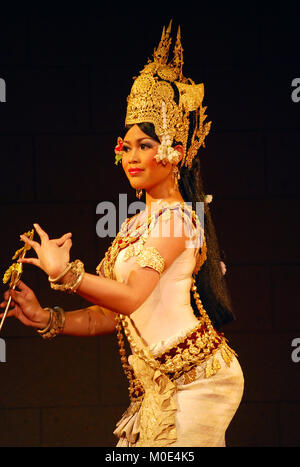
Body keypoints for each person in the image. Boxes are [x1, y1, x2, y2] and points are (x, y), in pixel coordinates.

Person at [0, 22, 244, 447]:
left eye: (145, 145)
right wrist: (47, 317)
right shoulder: (132, 226)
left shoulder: (179, 220)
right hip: (156, 386)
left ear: (175, 153)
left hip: (195, 381)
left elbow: (131, 295)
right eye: (126, 146)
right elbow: (110, 315)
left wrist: (66, 275)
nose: (132, 156)